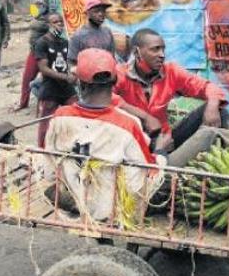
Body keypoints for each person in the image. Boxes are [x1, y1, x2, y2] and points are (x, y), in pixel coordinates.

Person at [41, 48, 167, 221]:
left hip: (78, 197)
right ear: (114, 81)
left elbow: (49, 172)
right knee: (172, 150)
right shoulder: (128, 124)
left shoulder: (60, 117)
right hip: (111, 209)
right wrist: (161, 152)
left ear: (80, 83)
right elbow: (147, 177)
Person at [114, 28, 229, 150]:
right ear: (137, 52)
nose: (162, 55)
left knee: (220, 111)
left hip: (166, 140)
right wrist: (145, 117)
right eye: (155, 49)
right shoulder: (120, 73)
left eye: (163, 49)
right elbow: (107, 99)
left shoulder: (171, 71)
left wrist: (213, 104)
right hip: (133, 144)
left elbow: (206, 86)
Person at [33, 13, 78, 147]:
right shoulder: (42, 43)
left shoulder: (65, 42)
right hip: (50, 87)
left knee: (75, 115)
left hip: (66, 87)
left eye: (60, 22)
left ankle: (72, 146)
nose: (59, 24)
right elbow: (43, 68)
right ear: (48, 25)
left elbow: (70, 63)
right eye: (55, 22)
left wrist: (74, 73)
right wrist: (65, 77)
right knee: (46, 122)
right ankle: (41, 149)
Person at [14, 0, 50, 111]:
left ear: (46, 6)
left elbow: (56, 34)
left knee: (47, 80)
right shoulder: (37, 16)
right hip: (33, 52)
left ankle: (46, 104)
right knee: (27, 78)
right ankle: (23, 103)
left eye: (40, 5)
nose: (38, 7)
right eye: (37, 5)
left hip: (44, 54)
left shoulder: (50, 19)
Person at [67, 0, 116, 65]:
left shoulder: (107, 32)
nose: (101, 14)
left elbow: (112, 58)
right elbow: (72, 62)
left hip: (107, 74)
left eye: (103, 11)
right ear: (87, 13)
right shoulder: (78, 36)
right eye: (96, 11)